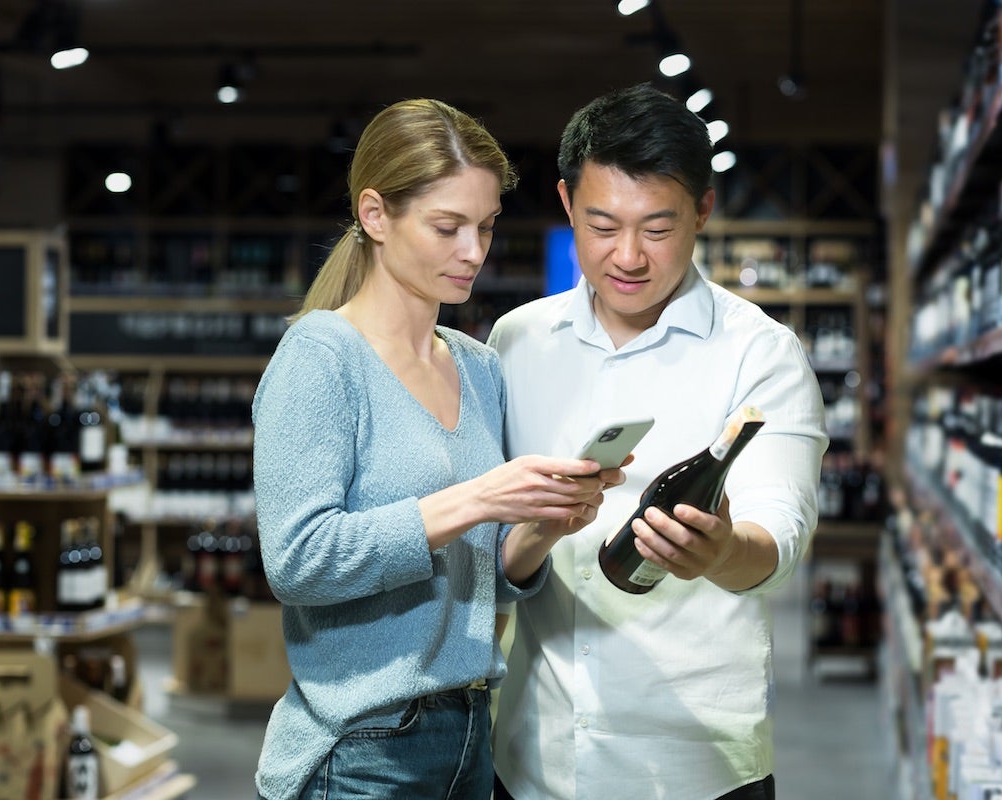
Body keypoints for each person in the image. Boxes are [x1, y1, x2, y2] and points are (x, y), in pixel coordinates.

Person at [250, 98, 623, 800]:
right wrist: (477, 498)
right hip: (361, 750)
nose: (473, 252)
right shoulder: (322, 358)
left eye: (485, 227)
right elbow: (297, 561)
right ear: (375, 215)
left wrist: (541, 527)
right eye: (447, 227)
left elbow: (481, 572)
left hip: (471, 735)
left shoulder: (478, 367)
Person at [488, 83, 829, 800]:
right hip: (531, 758)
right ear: (566, 204)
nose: (629, 257)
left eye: (658, 226)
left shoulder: (760, 354)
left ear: (704, 209)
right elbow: (492, 549)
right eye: (602, 225)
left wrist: (723, 552)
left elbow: (779, 536)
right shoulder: (516, 341)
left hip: (696, 769)